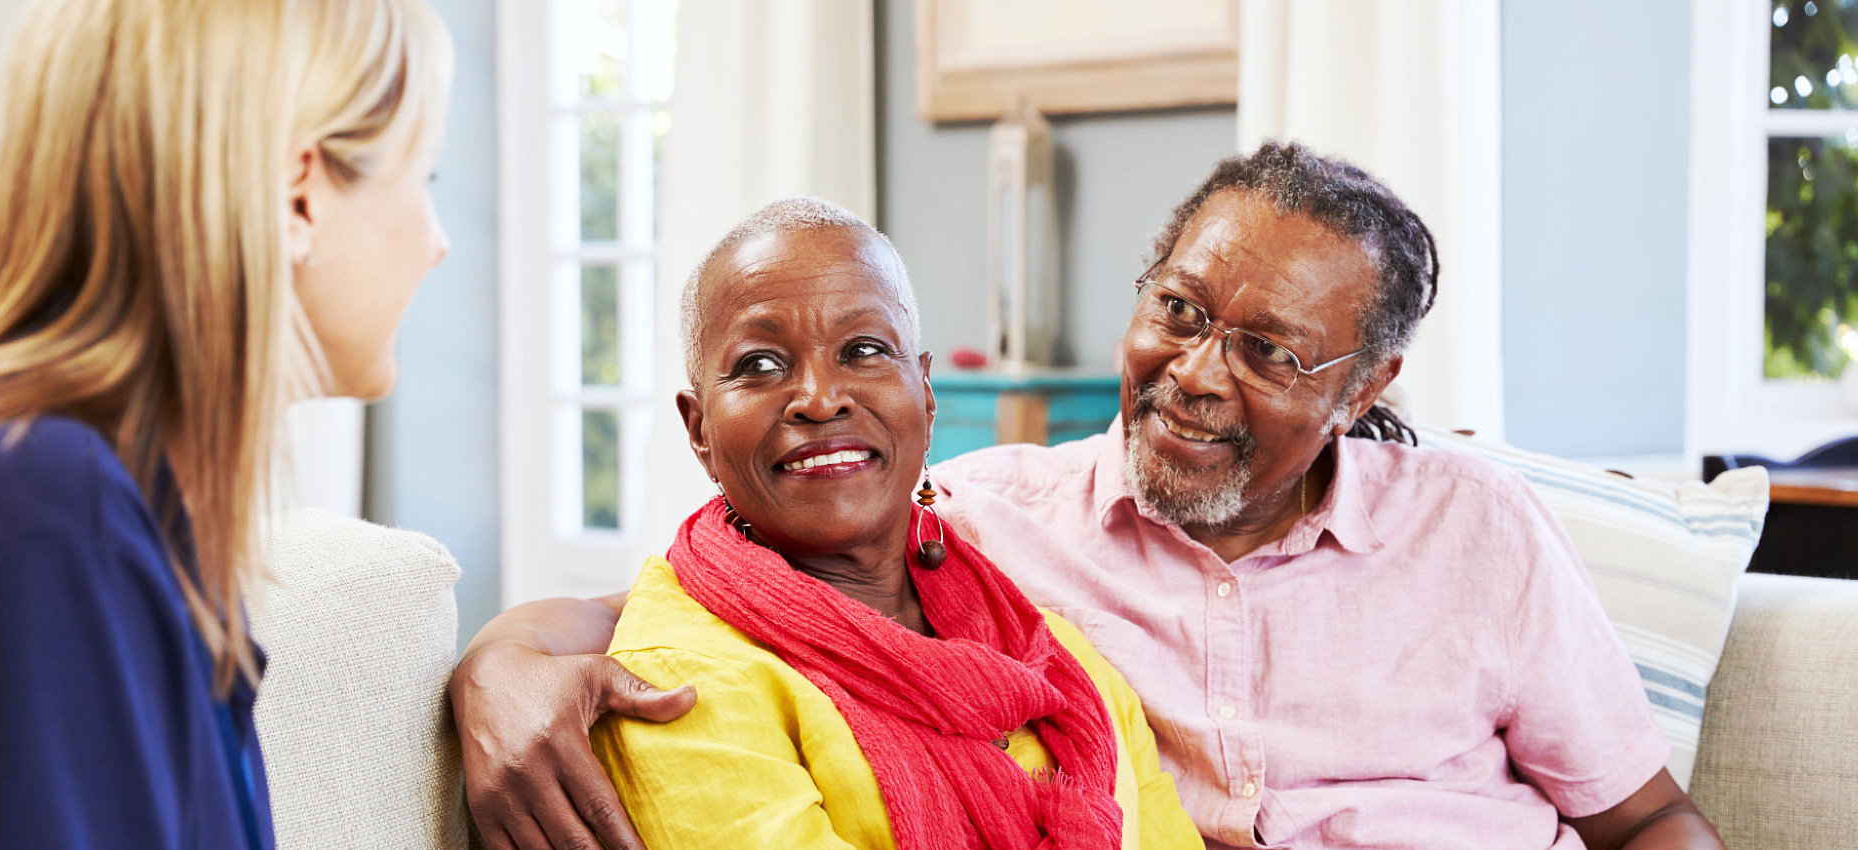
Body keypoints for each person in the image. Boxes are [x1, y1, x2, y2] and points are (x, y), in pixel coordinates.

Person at [450, 143, 1724, 850]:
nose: (1195, 376)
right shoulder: (982, 528)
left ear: (1365, 382)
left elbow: (1648, 814)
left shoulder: (1478, 530)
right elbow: (722, 597)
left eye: (1271, 353)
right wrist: (494, 666)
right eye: (1177, 310)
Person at [528, 197, 1198, 849]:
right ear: (699, 429)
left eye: (865, 350)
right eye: (760, 365)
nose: (820, 400)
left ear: (926, 395)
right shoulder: (679, 677)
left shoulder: (1060, 659)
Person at [0, 0, 452, 846]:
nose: (438, 244)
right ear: (299, 195)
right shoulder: (43, 507)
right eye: (423, 177)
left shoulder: (131, 516)